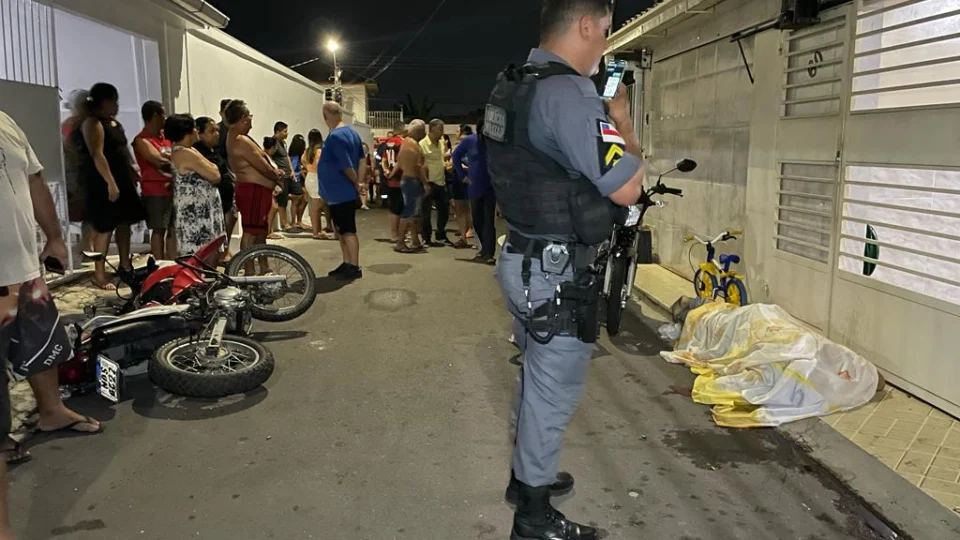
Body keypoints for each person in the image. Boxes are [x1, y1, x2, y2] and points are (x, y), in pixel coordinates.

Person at [486, 2, 647, 538]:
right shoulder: (570, 95)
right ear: (585, 26)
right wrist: (620, 119)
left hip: (522, 259)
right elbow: (628, 187)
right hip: (554, 272)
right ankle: (532, 517)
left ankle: (525, 477)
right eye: (604, 30)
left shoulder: (513, 83)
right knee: (552, 391)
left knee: (536, 373)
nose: (605, 43)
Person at [0, 110, 105, 535]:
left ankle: (51, 410)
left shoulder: (6, 120)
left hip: (22, 267)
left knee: (46, 343)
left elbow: (34, 181)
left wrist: (55, 236)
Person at [76, 82, 147, 289]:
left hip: (122, 177)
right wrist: (110, 183)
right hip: (103, 179)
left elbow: (123, 150)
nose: (117, 106)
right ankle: (99, 273)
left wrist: (133, 170)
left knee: (125, 222)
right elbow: (97, 154)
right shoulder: (92, 123)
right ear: (105, 102)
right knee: (104, 227)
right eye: (114, 101)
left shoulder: (115, 124)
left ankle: (125, 265)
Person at [225, 100, 283, 261]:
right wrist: (276, 175)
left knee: (260, 231)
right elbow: (263, 167)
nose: (251, 120)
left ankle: (263, 267)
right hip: (253, 191)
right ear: (244, 118)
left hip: (256, 190)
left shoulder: (238, 137)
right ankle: (249, 270)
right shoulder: (240, 140)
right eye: (250, 116)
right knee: (251, 232)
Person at [165, 114, 225, 257]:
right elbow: (215, 175)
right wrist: (212, 167)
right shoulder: (184, 152)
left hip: (203, 209)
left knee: (209, 250)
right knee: (199, 253)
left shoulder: (190, 150)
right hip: (195, 213)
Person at [318, 102, 365, 280]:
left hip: (340, 191)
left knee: (347, 230)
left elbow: (346, 165)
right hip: (338, 192)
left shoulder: (336, 137)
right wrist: (359, 182)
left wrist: (355, 183)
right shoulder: (352, 133)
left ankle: (354, 266)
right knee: (341, 230)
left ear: (325, 116)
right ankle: (347, 263)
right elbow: (361, 160)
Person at [132, 100, 175, 260]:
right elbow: (158, 160)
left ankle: (172, 261)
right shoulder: (142, 140)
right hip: (155, 191)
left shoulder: (166, 138)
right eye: (163, 114)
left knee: (173, 228)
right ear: (156, 116)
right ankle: (158, 262)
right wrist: (174, 160)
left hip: (172, 187)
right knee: (159, 229)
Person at [452, 117, 496, 264]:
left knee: (488, 221)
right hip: (475, 186)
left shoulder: (494, 143)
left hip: (491, 187)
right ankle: (483, 249)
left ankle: (489, 252)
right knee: (477, 220)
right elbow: (455, 155)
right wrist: (462, 175)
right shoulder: (470, 140)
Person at [195, 116, 237, 262]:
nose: (216, 134)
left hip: (224, 200)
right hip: (212, 203)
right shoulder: (198, 152)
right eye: (211, 131)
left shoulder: (215, 149)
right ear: (199, 133)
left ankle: (223, 253)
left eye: (217, 131)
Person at [62, 89, 95, 264]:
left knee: (90, 214)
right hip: (76, 176)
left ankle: (87, 247)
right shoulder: (72, 125)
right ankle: (86, 248)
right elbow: (71, 151)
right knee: (86, 213)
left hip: (84, 175)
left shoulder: (85, 123)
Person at [390, 120, 428, 253]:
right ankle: (400, 242)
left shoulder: (405, 143)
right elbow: (419, 167)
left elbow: (398, 162)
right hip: (412, 180)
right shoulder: (414, 145)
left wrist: (391, 175)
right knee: (409, 212)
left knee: (412, 213)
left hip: (406, 180)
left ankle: (415, 240)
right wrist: (425, 183)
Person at [419, 119, 451, 247]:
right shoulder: (422, 144)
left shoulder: (441, 143)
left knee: (444, 210)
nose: (442, 133)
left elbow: (440, 158)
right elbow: (421, 164)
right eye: (439, 130)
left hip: (441, 181)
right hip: (429, 182)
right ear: (431, 129)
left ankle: (441, 234)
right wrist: (424, 182)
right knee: (425, 212)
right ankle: (426, 237)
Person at [379, 124, 406, 243]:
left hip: (390, 180)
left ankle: (394, 234)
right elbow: (402, 160)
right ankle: (402, 233)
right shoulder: (403, 142)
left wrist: (386, 171)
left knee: (393, 208)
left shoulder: (388, 143)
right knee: (403, 208)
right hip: (401, 178)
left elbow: (383, 160)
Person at [303, 129, 332, 240]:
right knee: (317, 206)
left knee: (316, 205)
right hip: (317, 178)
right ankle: (316, 232)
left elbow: (304, 163)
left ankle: (318, 230)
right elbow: (322, 166)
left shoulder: (307, 151)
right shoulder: (319, 151)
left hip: (310, 176)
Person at [448, 125, 474, 248]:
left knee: (461, 210)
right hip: (471, 180)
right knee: (469, 209)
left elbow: (454, 162)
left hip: (461, 179)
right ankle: (470, 234)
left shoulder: (460, 145)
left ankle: (464, 236)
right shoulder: (475, 144)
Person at [267, 121, 294, 239]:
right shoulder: (272, 146)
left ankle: (274, 228)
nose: (287, 133)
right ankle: (272, 230)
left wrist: (291, 170)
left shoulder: (282, 144)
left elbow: (286, 157)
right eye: (285, 131)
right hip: (276, 180)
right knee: (275, 206)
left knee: (281, 202)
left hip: (284, 177)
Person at [288, 133, 308, 230]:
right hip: (296, 180)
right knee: (297, 200)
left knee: (303, 199)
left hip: (298, 179)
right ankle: (295, 222)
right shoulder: (295, 157)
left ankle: (298, 221)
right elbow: (295, 169)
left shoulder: (293, 155)